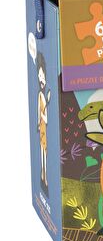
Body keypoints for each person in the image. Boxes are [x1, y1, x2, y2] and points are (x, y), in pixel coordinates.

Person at [36, 53, 50, 187]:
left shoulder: (45, 97)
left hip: (44, 128)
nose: (41, 79)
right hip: (42, 129)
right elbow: (38, 112)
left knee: (44, 152)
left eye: (42, 76)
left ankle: (44, 175)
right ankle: (43, 175)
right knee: (42, 151)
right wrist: (38, 122)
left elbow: (45, 117)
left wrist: (42, 118)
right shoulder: (40, 95)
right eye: (39, 76)